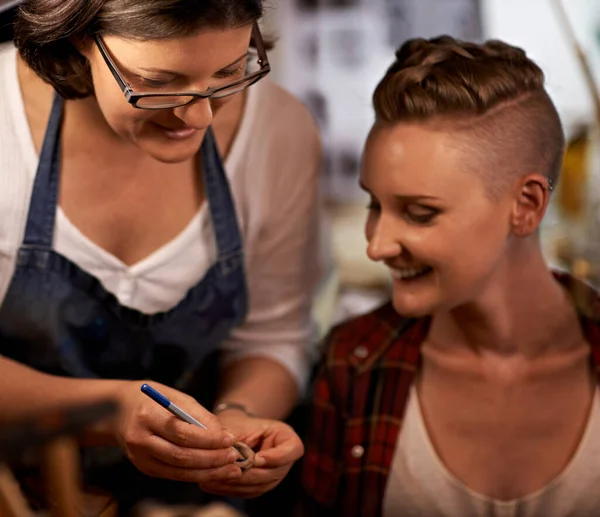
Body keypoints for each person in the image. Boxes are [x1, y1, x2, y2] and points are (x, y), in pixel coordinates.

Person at [0, 0, 322, 511]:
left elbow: (273, 335)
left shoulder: (277, 131)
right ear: (79, 35)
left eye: (228, 73)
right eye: (159, 80)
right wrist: (109, 413)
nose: (199, 115)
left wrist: (238, 416)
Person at [301, 35, 600, 517]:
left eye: (419, 213)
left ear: (526, 206)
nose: (376, 245)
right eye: (375, 204)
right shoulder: (352, 363)